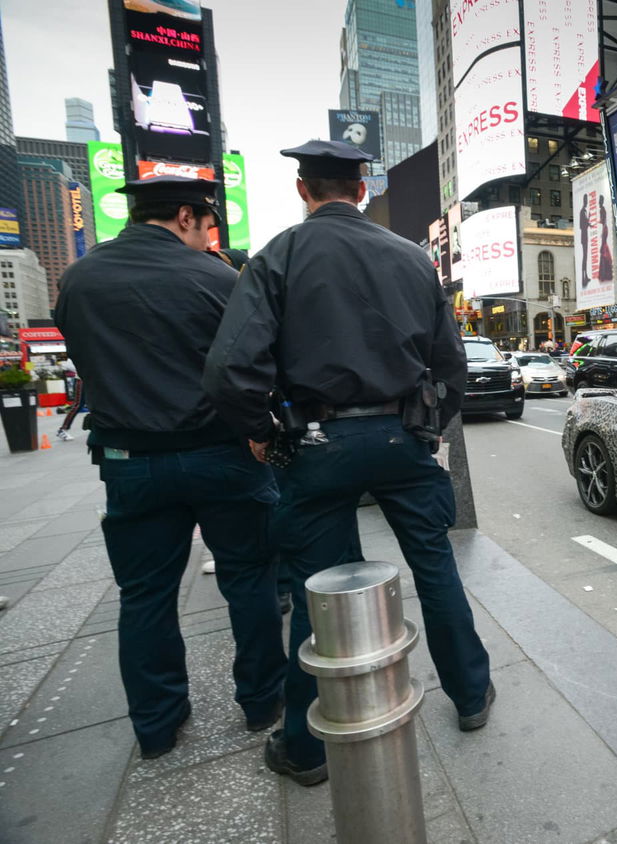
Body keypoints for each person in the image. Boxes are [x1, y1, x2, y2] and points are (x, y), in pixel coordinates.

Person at [203, 141, 492, 787]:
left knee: (319, 589)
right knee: (435, 565)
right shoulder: (413, 258)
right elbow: (451, 365)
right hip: (401, 440)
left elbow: (227, 369)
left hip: (317, 442)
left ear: (304, 189)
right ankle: (471, 696)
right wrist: (425, 429)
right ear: (361, 192)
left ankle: (307, 749)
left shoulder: (278, 255)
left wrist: (265, 435)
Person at [54, 177, 286, 760]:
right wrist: (260, 430)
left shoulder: (79, 278)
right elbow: (251, 364)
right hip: (222, 455)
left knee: (145, 595)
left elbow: (83, 356)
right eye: (207, 224)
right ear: (186, 215)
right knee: (249, 579)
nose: (208, 235)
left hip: (129, 459)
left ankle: (157, 725)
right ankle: (262, 700)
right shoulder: (215, 277)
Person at [56, 366, 84, 441]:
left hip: (92, 380)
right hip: (82, 380)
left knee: (96, 404)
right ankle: (63, 429)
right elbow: (67, 364)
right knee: (78, 405)